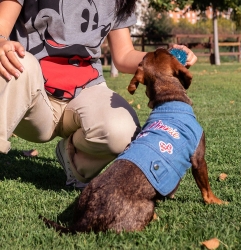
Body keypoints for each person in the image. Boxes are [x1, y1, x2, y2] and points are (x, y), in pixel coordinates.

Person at [0, 0, 197, 189]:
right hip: (32, 99)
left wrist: (166, 58)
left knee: (123, 132)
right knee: (15, 60)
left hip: (84, 93)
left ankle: (74, 157)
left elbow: (124, 55)